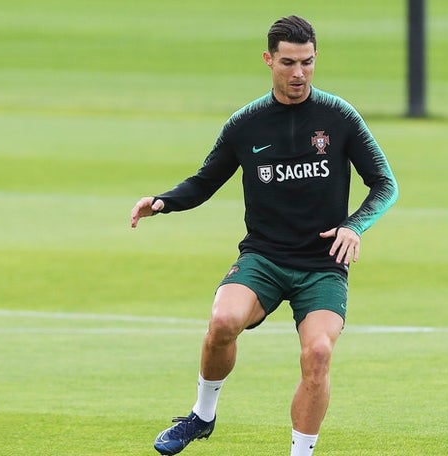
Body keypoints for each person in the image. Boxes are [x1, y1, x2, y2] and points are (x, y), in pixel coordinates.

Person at [130, 15, 398, 456]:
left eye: (308, 63)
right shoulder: (246, 124)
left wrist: (355, 225)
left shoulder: (340, 117)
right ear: (268, 59)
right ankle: (202, 415)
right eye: (289, 62)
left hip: (321, 265)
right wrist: (163, 201)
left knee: (318, 355)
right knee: (222, 322)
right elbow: (204, 181)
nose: (299, 74)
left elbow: (385, 184)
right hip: (264, 258)